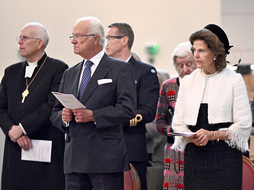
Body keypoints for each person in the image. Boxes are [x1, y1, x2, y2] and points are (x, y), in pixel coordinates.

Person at [50, 16, 136, 190]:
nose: (73, 41)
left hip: (105, 157)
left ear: (96, 38)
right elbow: (55, 113)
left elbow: (128, 109)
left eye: (79, 36)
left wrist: (94, 115)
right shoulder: (70, 73)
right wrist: (64, 117)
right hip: (74, 158)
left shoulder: (120, 69)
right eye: (72, 36)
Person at [171, 24, 252, 189]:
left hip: (225, 158)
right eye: (194, 50)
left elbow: (244, 126)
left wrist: (212, 134)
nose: (196, 55)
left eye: (201, 51)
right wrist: (189, 136)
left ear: (215, 53)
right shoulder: (188, 82)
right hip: (195, 156)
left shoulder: (234, 80)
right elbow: (178, 123)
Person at [0, 22, 68, 190]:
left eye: (24, 38)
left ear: (39, 43)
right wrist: (12, 131)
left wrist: (23, 127)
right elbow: (0, 108)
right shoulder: (11, 71)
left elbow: (52, 105)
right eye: (19, 38)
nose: (19, 42)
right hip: (15, 146)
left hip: (45, 145)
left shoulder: (58, 69)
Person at [106, 22, 160, 190]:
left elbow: (148, 112)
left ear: (124, 41)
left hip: (130, 145)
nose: (105, 43)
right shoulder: (104, 70)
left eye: (109, 38)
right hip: (104, 145)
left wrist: (112, 119)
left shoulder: (144, 72)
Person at [155, 42, 196, 189]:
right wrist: (175, 131)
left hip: (199, 150)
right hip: (174, 153)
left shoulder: (205, 85)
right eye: (180, 65)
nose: (185, 69)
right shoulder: (168, 86)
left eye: (189, 64)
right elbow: (159, 122)